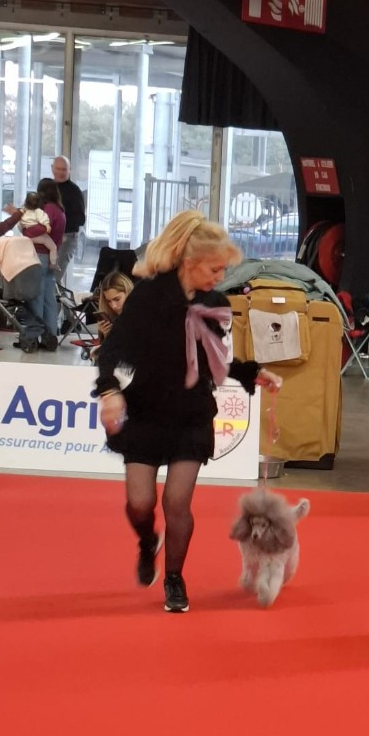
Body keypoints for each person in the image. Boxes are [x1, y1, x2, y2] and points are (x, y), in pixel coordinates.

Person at [95, 210, 279, 614]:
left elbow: (215, 360)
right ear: (190, 262)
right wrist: (109, 391)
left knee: (177, 503)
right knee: (140, 504)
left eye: (223, 269)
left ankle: (174, 578)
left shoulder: (215, 303)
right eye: (214, 269)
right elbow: (112, 350)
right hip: (146, 410)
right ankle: (148, 541)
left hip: (191, 414)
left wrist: (251, 372)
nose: (220, 276)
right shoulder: (147, 297)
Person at [18, 177, 65, 353]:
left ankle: (33, 336)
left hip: (38, 255)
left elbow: (34, 229)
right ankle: (50, 336)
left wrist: (25, 230)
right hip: (51, 257)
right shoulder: (60, 210)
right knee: (49, 299)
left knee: (35, 297)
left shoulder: (45, 210)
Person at [51, 155, 86, 283]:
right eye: (58, 169)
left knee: (53, 278)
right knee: (47, 278)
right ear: (52, 168)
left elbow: (80, 219)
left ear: (69, 170)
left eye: (64, 169)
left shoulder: (74, 191)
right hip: (48, 237)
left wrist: (59, 222)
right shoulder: (48, 187)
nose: (61, 172)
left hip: (66, 237)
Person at [89, 270, 133, 360]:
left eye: (117, 299)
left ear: (128, 293)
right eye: (109, 301)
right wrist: (106, 335)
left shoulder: (141, 317)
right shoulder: (113, 318)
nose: (113, 306)